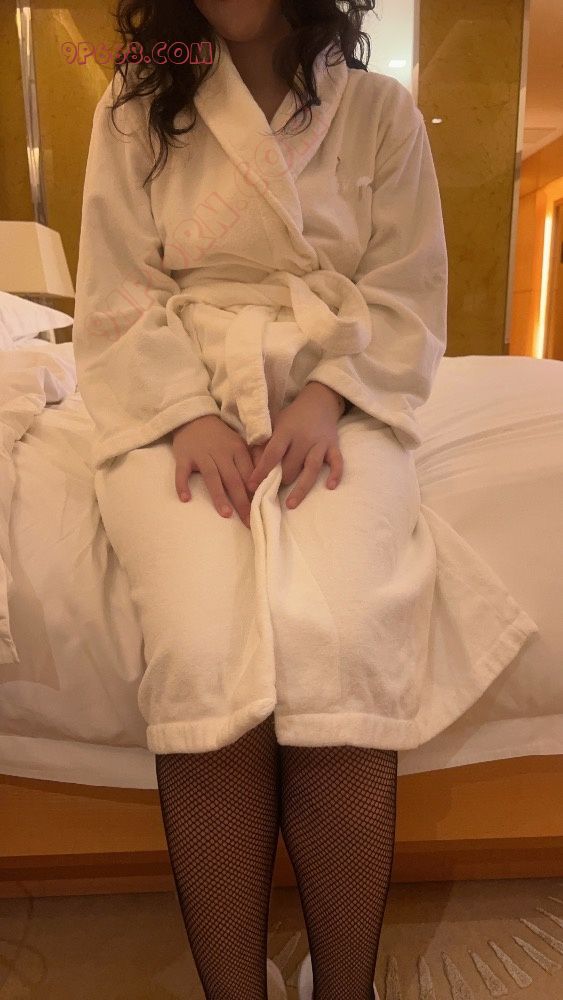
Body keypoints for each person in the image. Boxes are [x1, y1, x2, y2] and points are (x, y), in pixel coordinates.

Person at [72, 1, 539, 997]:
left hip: (339, 387)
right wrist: (184, 414)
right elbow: (114, 292)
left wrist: (329, 397)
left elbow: (406, 289)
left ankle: (346, 988)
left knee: (341, 633)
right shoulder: (133, 107)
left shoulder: (379, 112)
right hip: (174, 391)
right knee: (202, 649)